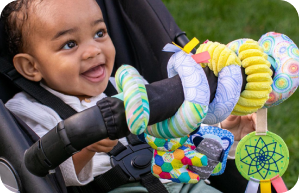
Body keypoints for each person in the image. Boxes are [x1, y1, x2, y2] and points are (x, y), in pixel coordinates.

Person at [1, 0, 225, 192]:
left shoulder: (125, 85)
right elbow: (45, 177)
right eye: (70, 44)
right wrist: (85, 148)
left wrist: (223, 128)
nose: (94, 50)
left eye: (99, 33)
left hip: (176, 177)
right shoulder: (28, 110)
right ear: (31, 66)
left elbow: (175, 127)